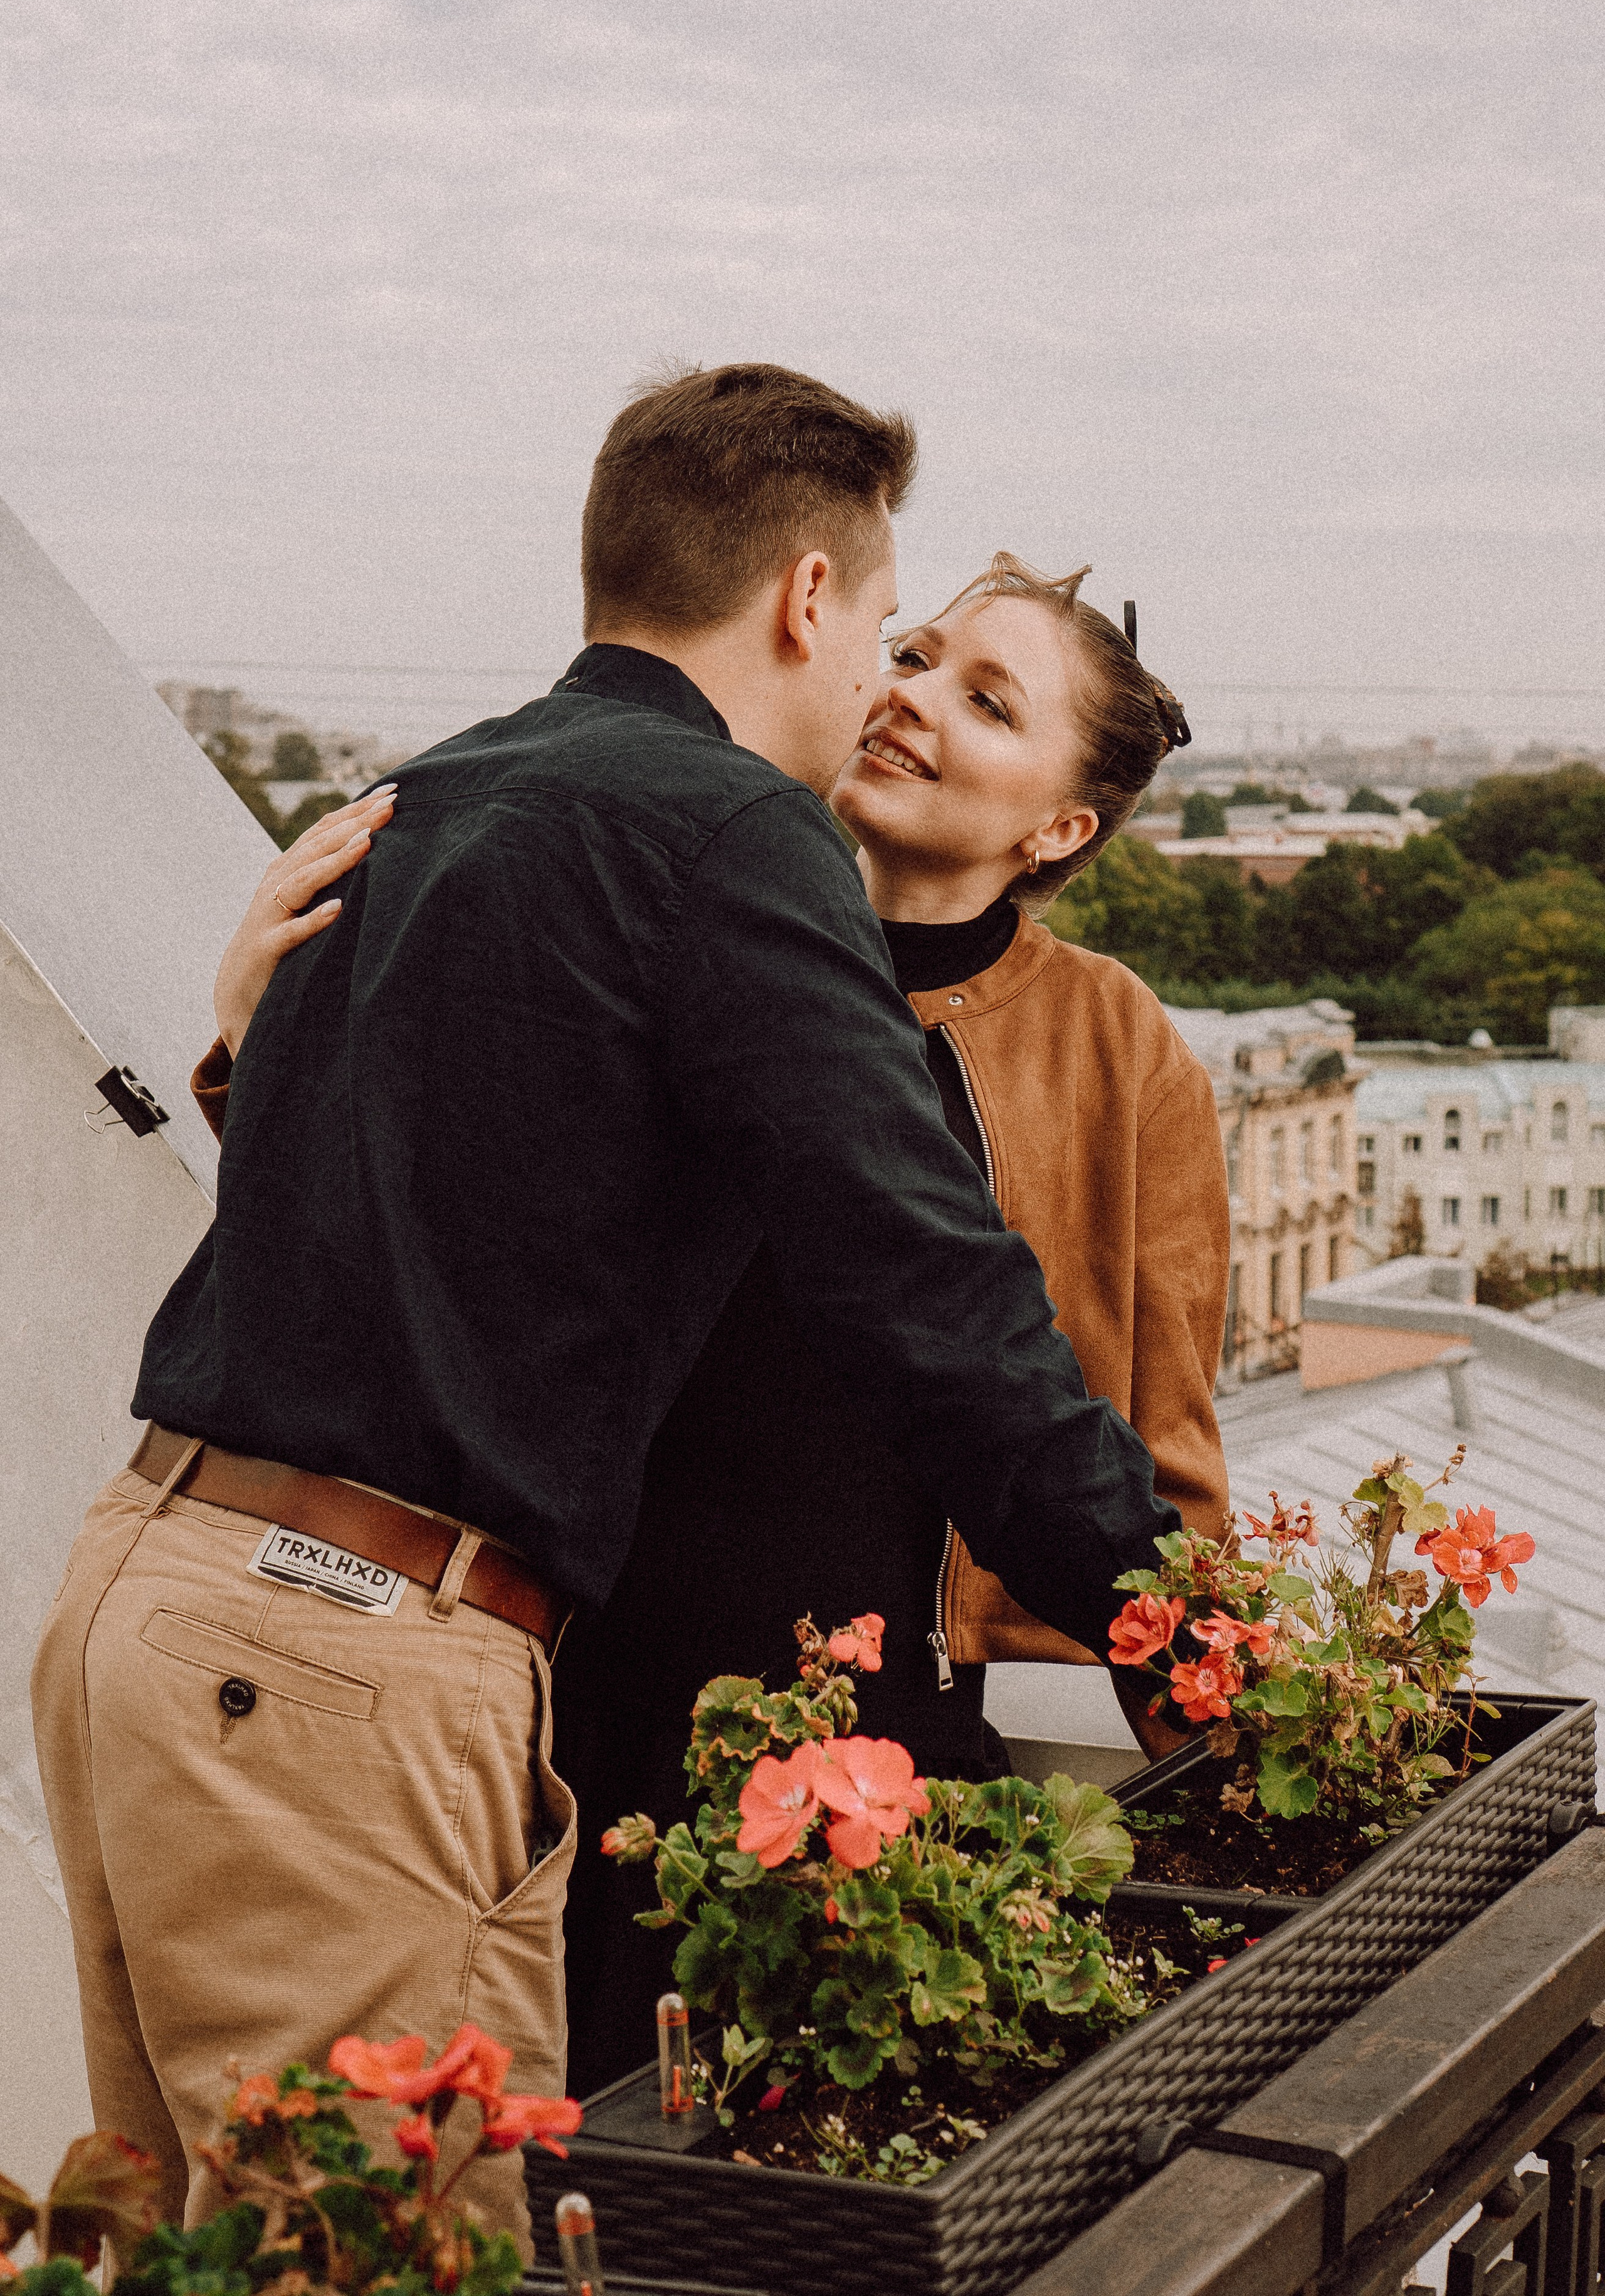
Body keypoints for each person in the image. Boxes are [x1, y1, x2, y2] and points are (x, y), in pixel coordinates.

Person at [31, 365, 1177, 2241]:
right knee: (418, 2257)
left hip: (142, 1619)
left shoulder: (423, 797)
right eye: (889, 626)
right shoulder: (734, 834)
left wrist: (242, 1052)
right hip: (346, 1656)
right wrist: (1182, 1628)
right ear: (806, 597)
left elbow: (429, 1208)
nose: (880, 674)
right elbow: (931, 1292)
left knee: (212, 2258)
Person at [192, 550, 1231, 2099]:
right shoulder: (687, 906)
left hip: (870, 1727)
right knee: (558, 2158)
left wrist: (1222, 1717)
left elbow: (1156, 1427)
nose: (912, 696)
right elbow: (440, 1228)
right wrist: (245, 1051)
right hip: (569, 1685)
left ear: (1059, 826)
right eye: (921, 650)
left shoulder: (1116, 1046)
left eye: (988, 700)